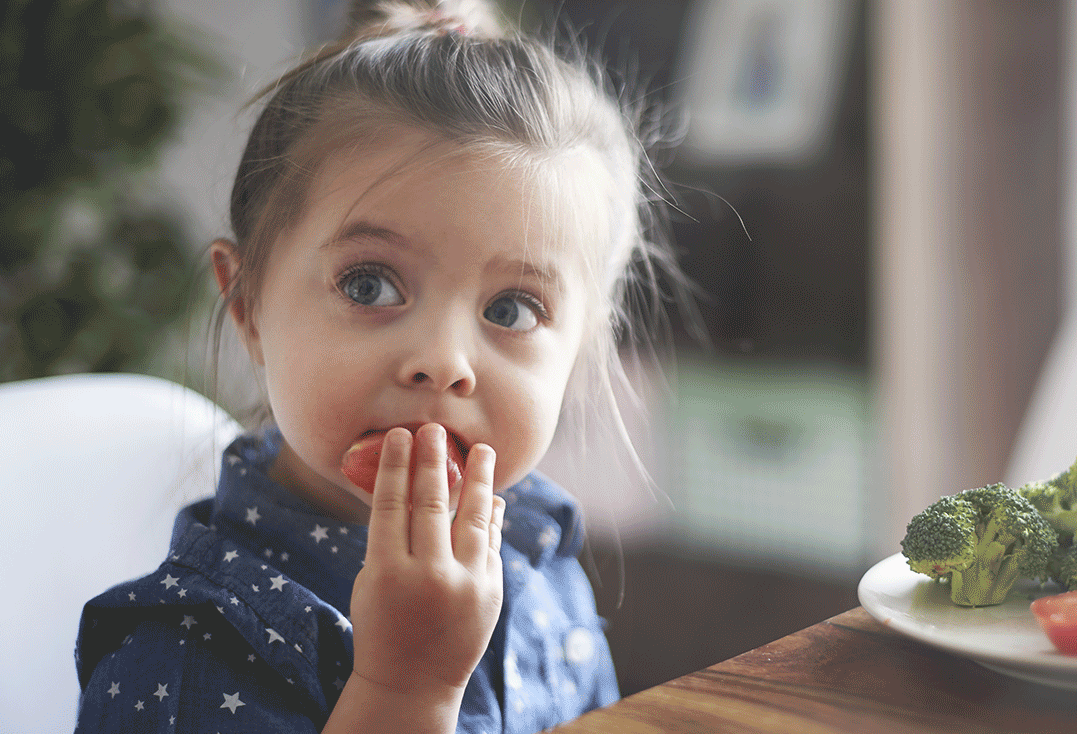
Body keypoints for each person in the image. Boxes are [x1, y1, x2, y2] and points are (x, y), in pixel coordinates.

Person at [74, 1, 688, 731]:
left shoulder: (537, 550)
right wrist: (404, 691)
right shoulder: (185, 664)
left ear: (582, 347)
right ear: (248, 307)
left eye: (512, 309)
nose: (442, 361)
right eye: (369, 285)